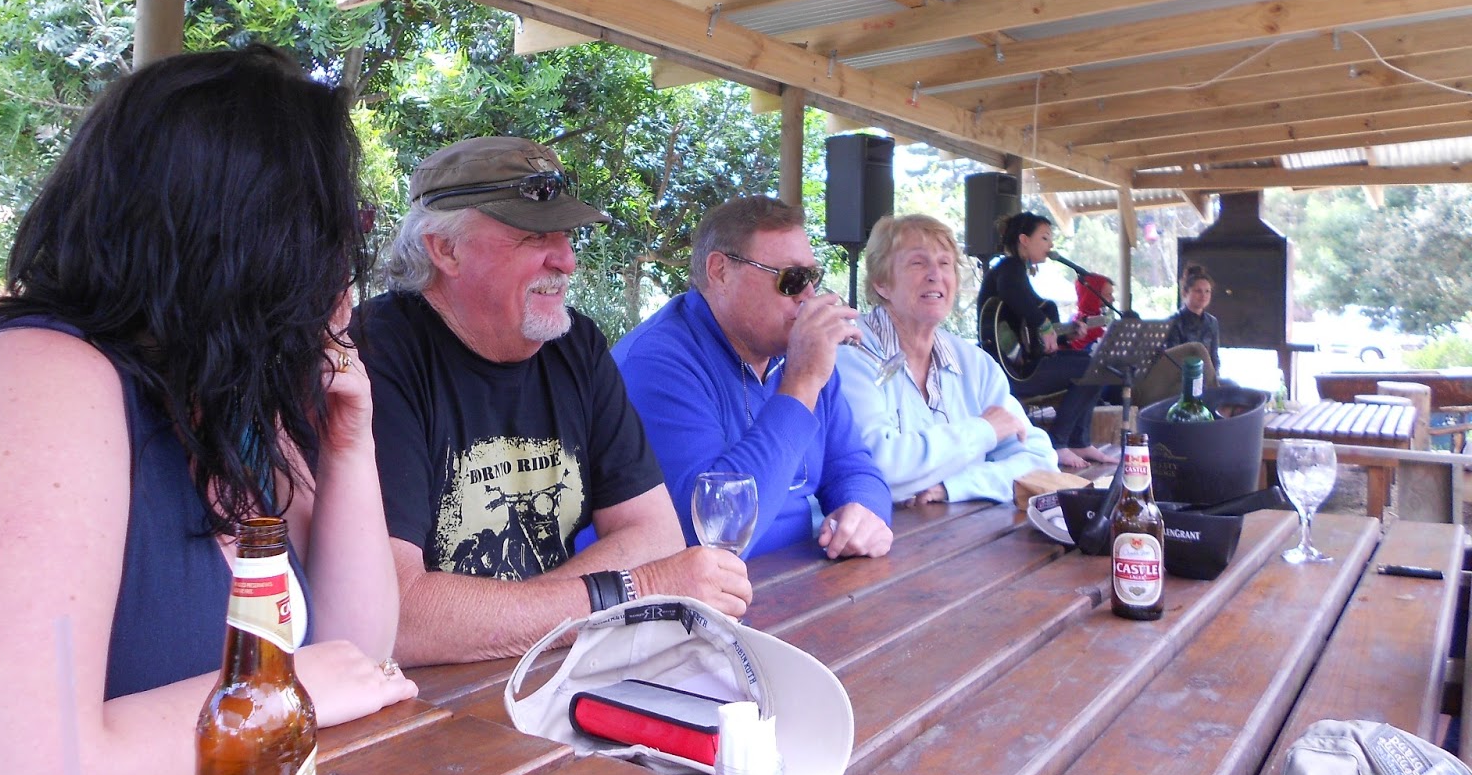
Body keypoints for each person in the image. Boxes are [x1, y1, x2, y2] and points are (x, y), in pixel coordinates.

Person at [0, 47, 416, 775]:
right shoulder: (33, 379)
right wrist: (286, 692)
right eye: (338, 229)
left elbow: (357, 654)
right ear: (251, 239)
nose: (344, 266)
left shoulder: (226, 409)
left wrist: (349, 438)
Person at [353, 136, 750, 668]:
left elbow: (656, 535)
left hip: (553, 672)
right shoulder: (377, 355)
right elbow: (398, 620)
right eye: (534, 235)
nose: (567, 260)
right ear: (445, 249)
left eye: (566, 234)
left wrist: (520, 617)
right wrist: (635, 589)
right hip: (423, 708)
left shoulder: (575, 346)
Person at [613, 196, 894, 560]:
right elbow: (711, 536)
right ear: (720, 272)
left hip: (802, 580)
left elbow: (855, 467)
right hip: (697, 602)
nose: (808, 296)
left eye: (813, 277)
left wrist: (864, 511)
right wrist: (801, 386)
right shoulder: (658, 364)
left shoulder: (796, 353)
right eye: (792, 280)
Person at [838, 214, 1057, 504]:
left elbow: (1039, 460)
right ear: (881, 282)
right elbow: (875, 468)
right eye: (918, 263)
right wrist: (984, 431)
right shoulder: (851, 353)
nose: (935, 274)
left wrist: (954, 486)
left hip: (961, 536)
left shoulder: (974, 364)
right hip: (871, 541)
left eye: (945, 263)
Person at [977, 211, 1115, 469]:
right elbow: (1014, 294)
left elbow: (1039, 337)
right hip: (1011, 371)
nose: (1050, 245)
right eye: (1044, 238)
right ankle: (1059, 443)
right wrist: (1043, 324)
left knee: (1099, 362)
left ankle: (1080, 440)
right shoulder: (1008, 268)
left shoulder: (1018, 273)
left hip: (1026, 365)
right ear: (1024, 240)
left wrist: (1066, 334)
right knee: (1092, 366)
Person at [1165, 262, 1222, 372]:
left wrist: (1215, 380)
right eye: (1198, 291)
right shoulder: (1174, 321)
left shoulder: (1212, 322)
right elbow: (1172, 359)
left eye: (1207, 291)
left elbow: (1214, 357)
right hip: (1182, 377)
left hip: (1206, 377)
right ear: (1185, 293)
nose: (1203, 296)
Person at [1067, 272, 1115, 353]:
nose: (1113, 299)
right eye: (1108, 294)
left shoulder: (1101, 320)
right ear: (1093, 296)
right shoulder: (1079, 323)